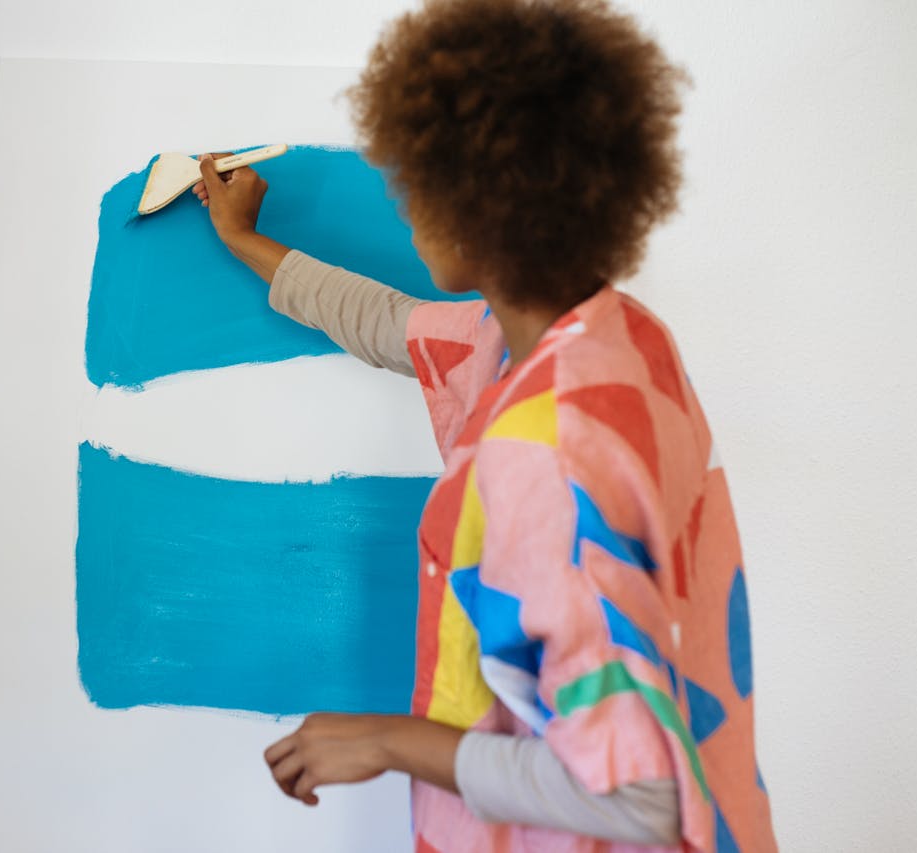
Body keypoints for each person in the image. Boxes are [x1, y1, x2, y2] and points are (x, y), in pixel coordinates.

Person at [192, 0, 776, 850]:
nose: (407, 212)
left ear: (480, 206)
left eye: (419, 186)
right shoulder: (617, 340)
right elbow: (384, 320)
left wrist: (388, 741)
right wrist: (243, 238)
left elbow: (636, 793)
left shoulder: (541, 449)